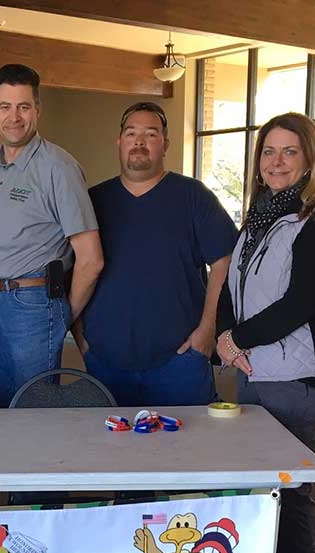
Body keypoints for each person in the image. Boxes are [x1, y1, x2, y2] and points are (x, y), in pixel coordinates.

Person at [216, 112, 315, 553]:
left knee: (289, 491)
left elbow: (301, 302)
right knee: (257, 485)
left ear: (310, 159)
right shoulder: (258, 219)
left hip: (301, 377)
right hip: (256, 371)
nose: (276, 162)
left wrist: (236, 341)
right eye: (268, 152)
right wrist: (227, 335)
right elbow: (233, 289)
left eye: (289, 152)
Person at [79, 101, 238, 406]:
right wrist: (82, 336)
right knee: (108, 450)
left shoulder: (193, 197)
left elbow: (225, 262)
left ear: (165, 145)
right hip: (105, 361)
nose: (139, 142)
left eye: (150, 134)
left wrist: (208, 330)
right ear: (119, 141)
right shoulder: (93, 201)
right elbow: (75, 269)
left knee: (186, 450)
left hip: (179, 361)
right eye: (131, 133)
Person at [0, 64, 104, 407]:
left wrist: (60, 316)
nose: (14, 117)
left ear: (38, 110)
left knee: (32, 414)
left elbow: (91, 259)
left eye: (23, 106)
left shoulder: (58, 168)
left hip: (34, 305)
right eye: (5, 106)